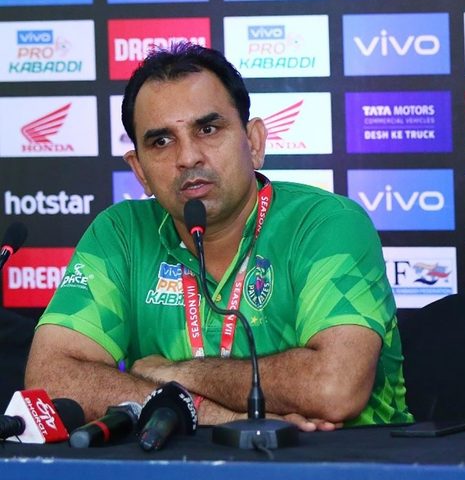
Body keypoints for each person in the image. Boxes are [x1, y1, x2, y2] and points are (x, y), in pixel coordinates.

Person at [25, 43, 412, 430]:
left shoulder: (326, 223)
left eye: (208, 129)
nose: (188, 156)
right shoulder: (121, 233)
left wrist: (176, 374)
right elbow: (50, 379)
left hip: (341, 464)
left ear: (254, 142)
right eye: (161, 141)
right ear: (140, 171)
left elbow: (333, 388)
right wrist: (216, 415)